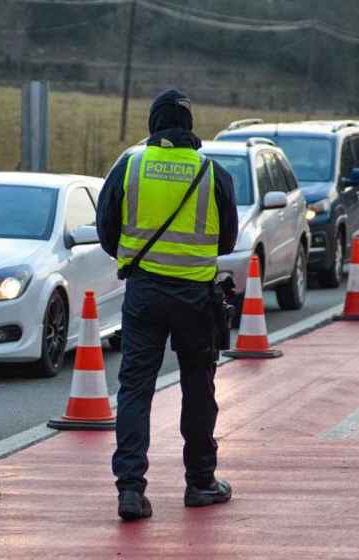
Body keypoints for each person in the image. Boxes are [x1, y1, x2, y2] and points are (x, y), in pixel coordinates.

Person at [97, 89, 238, 521]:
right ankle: (200, 483)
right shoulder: (212, 173)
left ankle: (131, 490)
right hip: (195, 297)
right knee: (198, 388)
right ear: (189, 127)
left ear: (153, 124)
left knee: (135, 388)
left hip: (144, 294)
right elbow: (227, 239)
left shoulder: (130, 166)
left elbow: (106, 229)